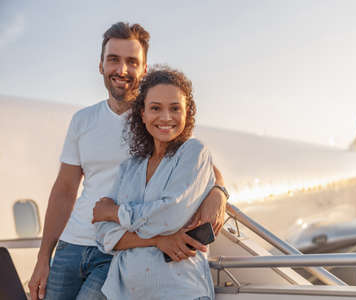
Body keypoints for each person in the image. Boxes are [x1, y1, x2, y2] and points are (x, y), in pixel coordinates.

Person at [28, 22, 228, 300]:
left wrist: (219, 193)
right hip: (74, 243)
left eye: (132, 62)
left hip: (120, 249)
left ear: (144, 69)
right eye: (114, 60)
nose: (122, 70)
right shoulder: (83, 121)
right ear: (100, 65)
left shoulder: (158, 116)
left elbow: (200, 166)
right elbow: (64, 189)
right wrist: (43, 257)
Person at [94, 65, 215, 300]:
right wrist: (158, 240)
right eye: (156, 108)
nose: (166, 117)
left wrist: (115, 213)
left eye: (175, 108)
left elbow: (169, 217)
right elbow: (102, 234)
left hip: (181, 292)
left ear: (187, 112)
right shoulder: (130, 167)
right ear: (143, 114)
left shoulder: (193, 152)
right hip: (125, 294)